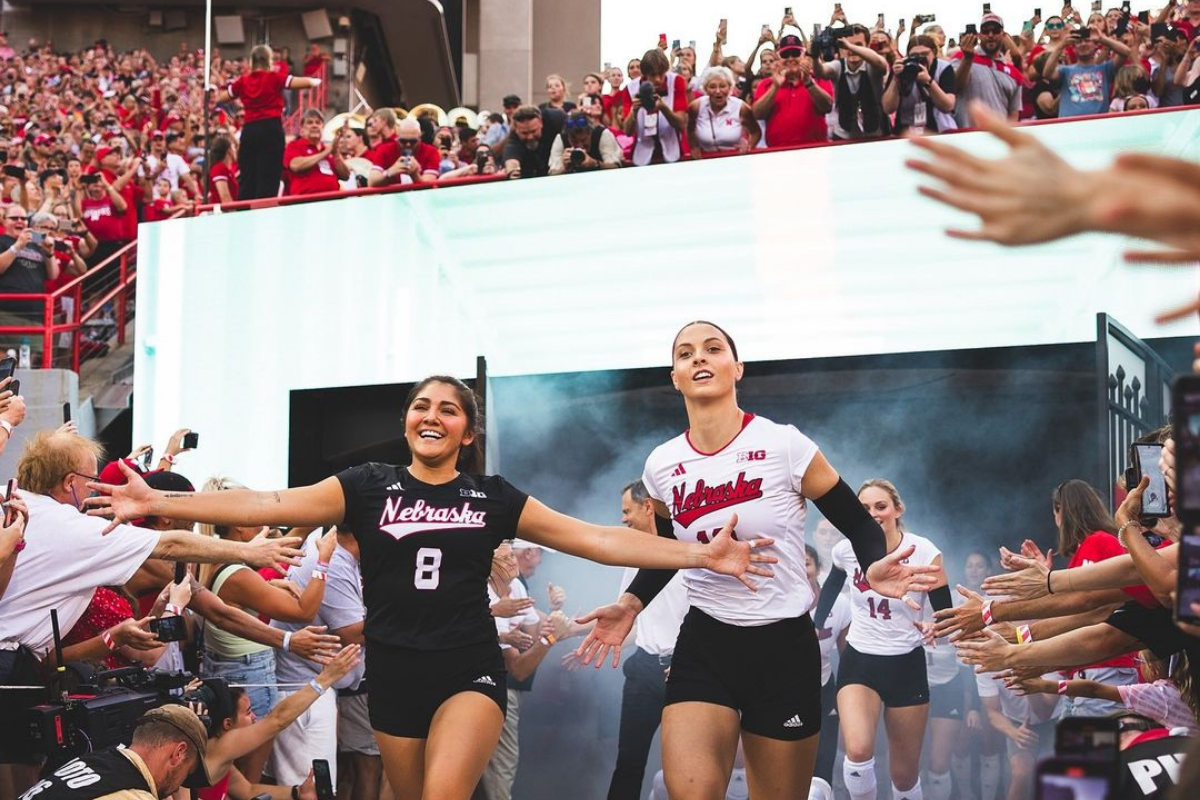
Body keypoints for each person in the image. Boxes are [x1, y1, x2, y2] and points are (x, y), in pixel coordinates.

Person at [90, 373, 776, 800]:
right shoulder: (365, 486)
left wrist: (697, 556)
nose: (432, 415)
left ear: (467, 431)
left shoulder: (492, 495)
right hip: (395, 677)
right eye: (421, 405)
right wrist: (159, 503)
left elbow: (594, 537)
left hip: (467, 672)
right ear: (406, 422)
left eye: (449, 409)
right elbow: (268, 503)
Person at [574, 322, 942, 800]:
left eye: (713, 349)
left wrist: (872, 567)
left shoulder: (784, 444)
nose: (699, 359)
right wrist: (630, 603)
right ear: (675, 377)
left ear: (737, 367)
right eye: (686, 354)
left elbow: (859, 523)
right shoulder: (661, 465)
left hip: (784, 648)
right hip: (705, 640)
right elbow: (666, 554)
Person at [813, 479, 948, 800]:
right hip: (860, 661)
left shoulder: (924, 551)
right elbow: (830, 589)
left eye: (880, 506)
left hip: (906, 663)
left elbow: (945, 611)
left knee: (903, 776)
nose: (873, 514)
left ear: (897, 509)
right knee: (857, 751)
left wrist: (935, 627)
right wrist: (815, 626)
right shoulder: (845, 550)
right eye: (864, 509)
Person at [599, 480, 689, 800]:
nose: (623, 519)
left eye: (627, 510)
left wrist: (687, 658)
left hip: (686, 671)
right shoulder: (634, 554)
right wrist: (573, 632)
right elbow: (629, 616)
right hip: (644, 668)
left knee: (686, 769)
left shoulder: (687, 549)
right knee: (628, 763)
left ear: (648, 507)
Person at [268, 528, 365, 788]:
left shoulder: (330, 550)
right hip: (302, 692)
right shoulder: (330, 558)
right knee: (311, 788)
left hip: (314, 688)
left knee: (318, 786)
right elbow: (352, 631)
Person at [15, 705, 209, 800]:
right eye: (187, 774)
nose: (177, 789)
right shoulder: (131, 796)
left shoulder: (92, 760)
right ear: (179, 753)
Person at [213, 45, 322, 200]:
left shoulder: (243, 82)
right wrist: (315, 80)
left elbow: (223, 97)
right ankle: (264, 214)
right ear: (268, 61)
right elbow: (302, 83)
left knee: (248, 175)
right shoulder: (274, 77)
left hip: (249, 130)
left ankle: (244, 212)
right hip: (271, 129)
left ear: (252, 62)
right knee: (269, 176)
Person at [811, 26, 892, 140]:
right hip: (844, 134)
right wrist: (814, 56)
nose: (851, 51)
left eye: (858, 45)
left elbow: (881, 63)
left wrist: (849, 46)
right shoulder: (838, 66)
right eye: (845, 46)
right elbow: (821, 72)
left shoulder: (872, 66)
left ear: (867, 46)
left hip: (874, 135)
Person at [751, 35, 832, 147]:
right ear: (779, 58)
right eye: (785, 55)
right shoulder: (766, 84)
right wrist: (775, 87)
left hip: (814, 150)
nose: (790, 58)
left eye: (795, 54)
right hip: (777, 152)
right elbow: (757, 114)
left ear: (803, 56)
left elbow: (827, 106)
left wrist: (809, 83)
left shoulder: (818, 78)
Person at [1044, 25, 1132, 117]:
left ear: (1095, 46)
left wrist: (1102, 38)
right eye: (1079, 42)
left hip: (1097, 125)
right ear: (1073, 48)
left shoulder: (1105, 69)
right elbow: (1047, 73)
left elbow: (1126, 52)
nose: (1083, 44)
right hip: (1070, 126)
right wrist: (1061, 46)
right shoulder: (1065, 71)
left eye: (1087, 41)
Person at [953, 14, 1025, 127]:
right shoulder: (960, 57)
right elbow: (955, 86)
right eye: (985, 31)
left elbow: (1013, 115)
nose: (990, 35)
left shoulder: (1014, 74)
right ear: (979, 35)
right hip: (967, 136)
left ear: (1003, 35)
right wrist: (967, 59)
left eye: (995, 31)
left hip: (998, 139)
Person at [882, 35, 958, 136]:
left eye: (925, 54)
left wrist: (929, 82)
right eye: (914, 55)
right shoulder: (901, 68)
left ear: (934, 53)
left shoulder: (943, 68)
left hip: (940, 130)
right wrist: (896, 80)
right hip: (907, 131)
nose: (920, 58)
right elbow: (888, 108)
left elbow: (948, 106)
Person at [624, 49, 689, 166]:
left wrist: (663, 108)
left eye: (661, 74)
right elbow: (627, 132)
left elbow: (681, 123)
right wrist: (634, 111)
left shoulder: (676, 81)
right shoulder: (631, 88)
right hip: (642, 154)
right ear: (644, 74)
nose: (658, 79)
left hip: (673, 151)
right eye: (653, 75)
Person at [687, 66, 760, 156]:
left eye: (722, 86)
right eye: (712, 87)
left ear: (730, 88)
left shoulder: (741, 107)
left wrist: (748, 146)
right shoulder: (696, 106)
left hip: (734, 159)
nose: (718, 91)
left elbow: (756, 132)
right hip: (706, 160)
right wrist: (694, 147)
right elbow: (689, 129)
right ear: (706, 89)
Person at [285, 110, 348, 196]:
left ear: (322, 128)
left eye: (318, 123)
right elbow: (296, 166)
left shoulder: (328, 149)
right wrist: (326, 152)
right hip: (305, 202)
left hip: (333, 201)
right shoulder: (294, 145)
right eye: (310, 123)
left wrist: (336, 153)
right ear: (302, 130)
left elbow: (345, 175)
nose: (314, 125)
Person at [368, 118, 439, 186]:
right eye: (403, 141)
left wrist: (415, 175)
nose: (408, 144)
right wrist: (389, 172)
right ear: (397, 138)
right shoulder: (385, 149)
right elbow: (372, 181)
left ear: (420, 138)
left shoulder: (431, 152)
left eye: (413, 141)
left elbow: (429, 185)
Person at [547, 110, 621, 175]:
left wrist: (594, 163)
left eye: (583, 140)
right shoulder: (561, 139)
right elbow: (551, 174)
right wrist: (563, 168)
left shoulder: (603, 135)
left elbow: (616, 167)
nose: (580, 145)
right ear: (568, 137)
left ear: (590, 133)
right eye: (574, 142)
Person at [501, 106, 565, 179]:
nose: (530, 137)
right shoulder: (514, 139)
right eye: (524, 133)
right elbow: (511, 158)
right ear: (516, 129)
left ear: (541, 122)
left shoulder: (556, 118)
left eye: (533, 131)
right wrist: (513, 172)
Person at [207, 136, 239, 206]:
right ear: (229, 151)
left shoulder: (226, 169)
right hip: (223, 213)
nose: (235, 150)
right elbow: (225, 197)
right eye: (234, 148)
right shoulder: (219, 168)